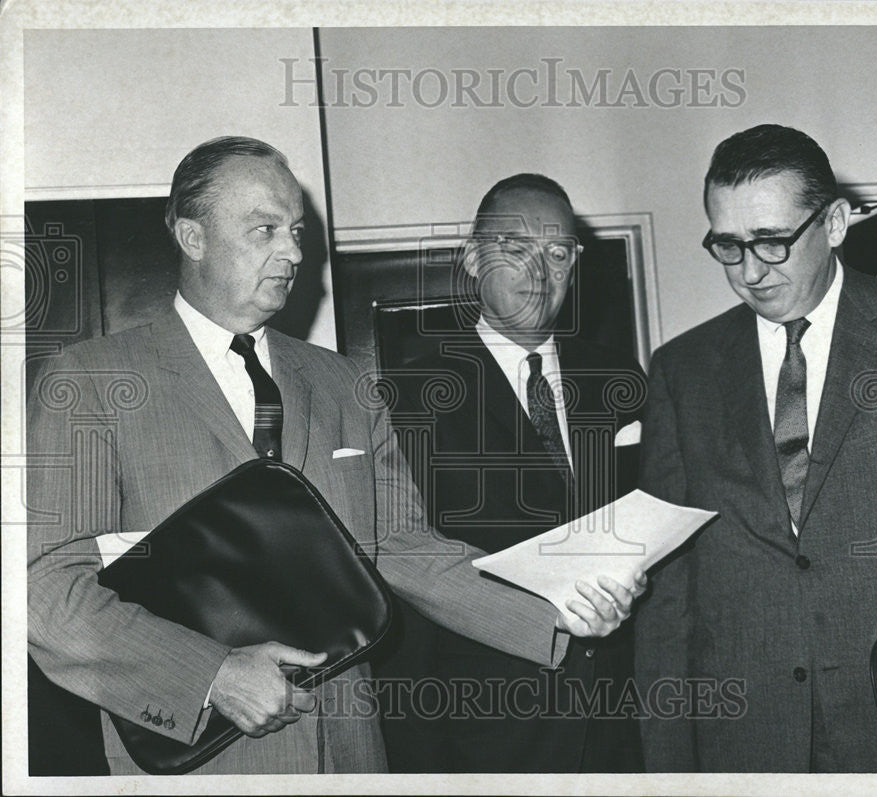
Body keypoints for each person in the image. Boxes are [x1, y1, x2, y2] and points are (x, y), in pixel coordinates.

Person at [26, 138, 646, 775]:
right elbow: (44, 589)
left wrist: (557, 614)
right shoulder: (90, 381)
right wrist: (212, 676)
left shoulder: (345, 384)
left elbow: (403, 549)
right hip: (197, 755)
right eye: (265, 230)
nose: (294, 252)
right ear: (192, 236)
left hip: (349, 752)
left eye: (296, 231)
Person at [635, 124, 877, 773]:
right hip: (743, 739)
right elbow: (668, 599)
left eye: (772, 241)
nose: (750, 270)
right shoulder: (683, 370)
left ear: (837, 221)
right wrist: (669, 769)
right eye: (728, 246)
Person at [375, 174, 647, 773]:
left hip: (623, 723)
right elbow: (409, 570)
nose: (540, 272)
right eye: (517, 249)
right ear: (473, 258)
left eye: (558, 252)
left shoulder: (620, 379)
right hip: (487, 729)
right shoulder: (408, 395)